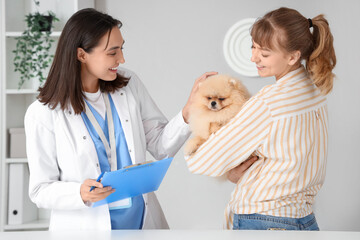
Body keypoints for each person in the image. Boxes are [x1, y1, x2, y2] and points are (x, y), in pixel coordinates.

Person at [24, 8, 215, 231]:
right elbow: (40, 190)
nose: (121, 59)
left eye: (121, 49)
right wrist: (79, 193)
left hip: (142, 224)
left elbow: (161, 147)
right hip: (85, 229)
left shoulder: (129, 84)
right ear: (81, 55)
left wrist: (189, 110)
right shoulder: (44, 112)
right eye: (112, 52)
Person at [185, 7, 336, 230]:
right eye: (253, 47)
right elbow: (288, 159)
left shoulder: (269, 102)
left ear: (293, 56)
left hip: (264, 221)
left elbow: (202, 162)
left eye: (264, 53)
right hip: (304, 219)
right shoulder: (315, 91)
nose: (253, 57)